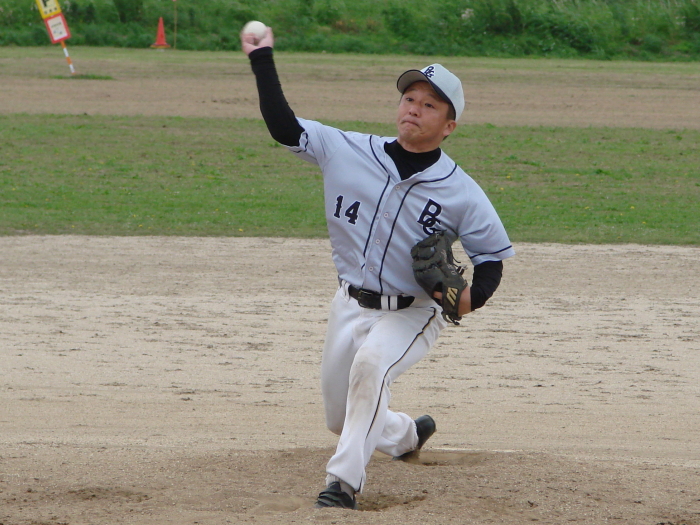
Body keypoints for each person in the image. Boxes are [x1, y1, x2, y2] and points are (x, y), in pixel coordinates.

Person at [241, 27, 515, 510]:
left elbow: (490, 259)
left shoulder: (462, 192)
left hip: (411, 313)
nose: (414, 108)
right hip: (348, 304)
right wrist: (261, 59)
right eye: (410, 98)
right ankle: (405, 434)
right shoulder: (348, 149)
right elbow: (284, 127)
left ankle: (341, 485)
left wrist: (465, 301)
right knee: (339, 416)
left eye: (430, 105)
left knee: (371, 367)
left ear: (449, 125)